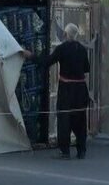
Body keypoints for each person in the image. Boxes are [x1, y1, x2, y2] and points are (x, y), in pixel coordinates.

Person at [29, 23, 92, 159]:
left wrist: (31, 56)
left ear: (65, 34)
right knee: (81, 119)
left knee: (64, 119)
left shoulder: (61, 49)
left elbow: (46, 62)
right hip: (81, 89)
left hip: (67, 89)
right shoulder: (82, 49)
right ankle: (81, 150)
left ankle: (65, 151)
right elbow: (87, 68)